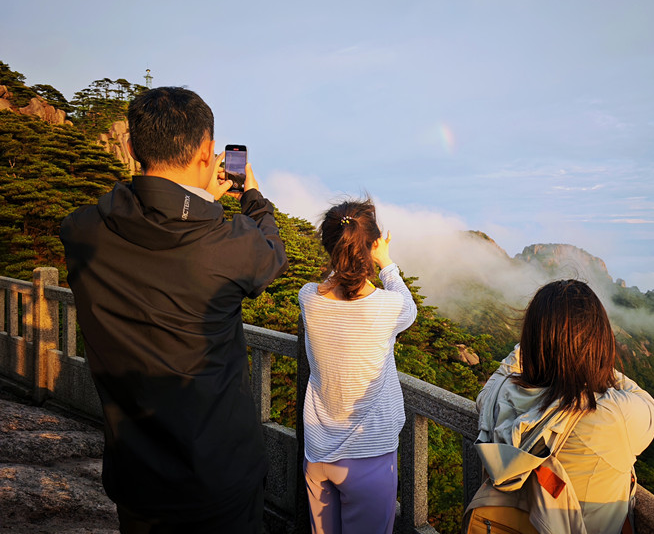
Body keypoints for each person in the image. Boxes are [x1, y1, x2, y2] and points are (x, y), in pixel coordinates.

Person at [60, 86, 288, 533]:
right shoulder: (229, 246)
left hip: (137, 480)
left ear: (129, 149)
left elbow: (149, 230)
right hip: (220, 482)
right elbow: (271, 253)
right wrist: (251, 197)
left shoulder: (83, 232)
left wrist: (194, 207)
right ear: (208, 152)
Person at [476, 279, 654, 534]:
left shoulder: (496, 396)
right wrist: (593, 362)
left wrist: (536, 342)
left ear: (530, 339)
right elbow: (647, 402)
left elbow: (500, 375)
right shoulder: (610, 415)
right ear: (600, 341)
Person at [298, 199, 417, 534]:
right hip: (370, 456)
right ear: (372, 246)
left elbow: (333, 285)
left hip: (318, 453)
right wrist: (386, 263)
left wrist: (348, 256)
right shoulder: (388, 307)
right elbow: (410, 308)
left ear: (328, 247)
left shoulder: (308, 298)